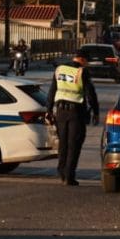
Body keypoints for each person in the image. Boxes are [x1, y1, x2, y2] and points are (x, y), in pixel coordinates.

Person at [46, 52, 100, 186]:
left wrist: (48, 110)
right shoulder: (81, 72)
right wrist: (95, 112)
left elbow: (52, 90)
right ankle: (69, 176)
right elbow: (90, 94)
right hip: (76, 112)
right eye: (86, 61)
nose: (86, 64)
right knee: (74, 144)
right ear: (82, 59)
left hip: (60, 112)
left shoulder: (59, 69)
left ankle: (62, 172)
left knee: (63, 143)